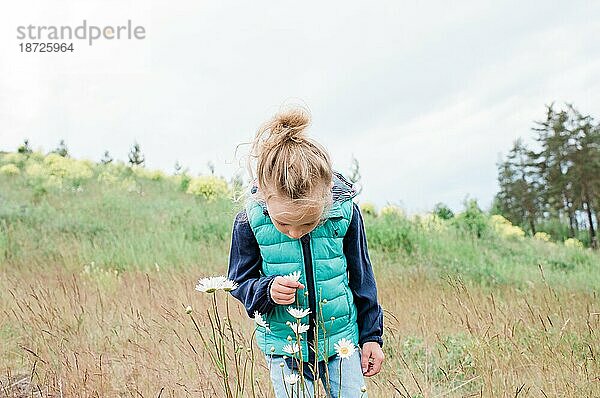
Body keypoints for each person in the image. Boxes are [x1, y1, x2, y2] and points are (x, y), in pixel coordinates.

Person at [227, 106, 384, 398]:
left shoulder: (344, 213)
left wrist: (372, 336)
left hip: (342, 342)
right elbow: (238, 281)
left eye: (309, 222)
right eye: (283, 223)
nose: (296, 232)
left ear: (326, 197)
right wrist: (266, 290)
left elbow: (363, 278)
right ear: (264, 193)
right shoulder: (249, 221)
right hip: (284, 347)